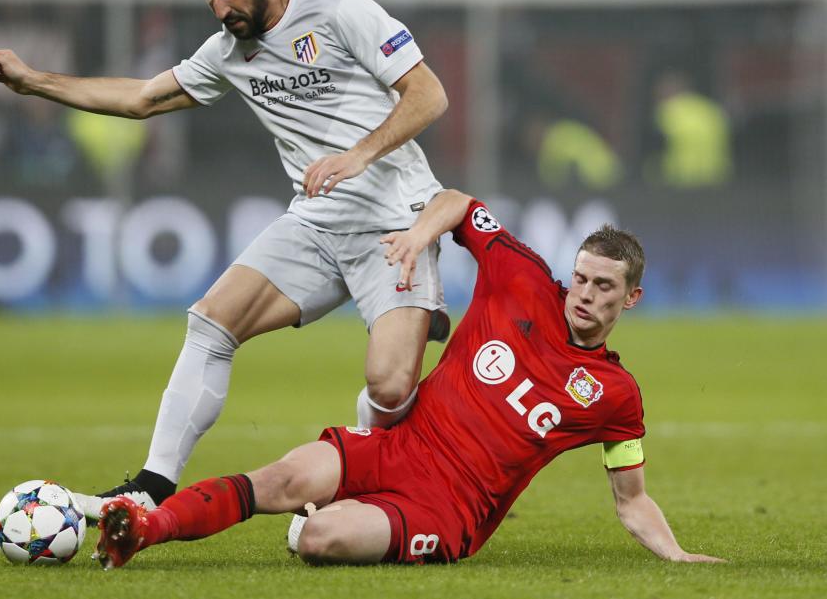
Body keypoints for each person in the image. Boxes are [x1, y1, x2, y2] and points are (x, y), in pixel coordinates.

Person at [0, 0, 450, 518]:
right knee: (211, 321)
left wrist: (358, 155)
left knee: (388, 385)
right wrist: (33, 81)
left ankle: (367, 475)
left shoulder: (343, 13)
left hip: (397, 225)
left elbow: (429, 94)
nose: (221, 10)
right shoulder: (228, 52)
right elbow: (142, 98)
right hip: (316, 223)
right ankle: (149, 489)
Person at [94, 189, 725, 568]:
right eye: (581, 277)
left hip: (450, 510)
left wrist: (677, 556)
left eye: (603, 286)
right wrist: (426, 229)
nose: (582, 294)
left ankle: (342, 516)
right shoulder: (522, 278)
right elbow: (460, 204)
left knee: (319, 538)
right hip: (398, 446)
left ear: (632, 298)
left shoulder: (615, 396)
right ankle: (145, 528)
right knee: (282, 479)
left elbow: (632, 499)